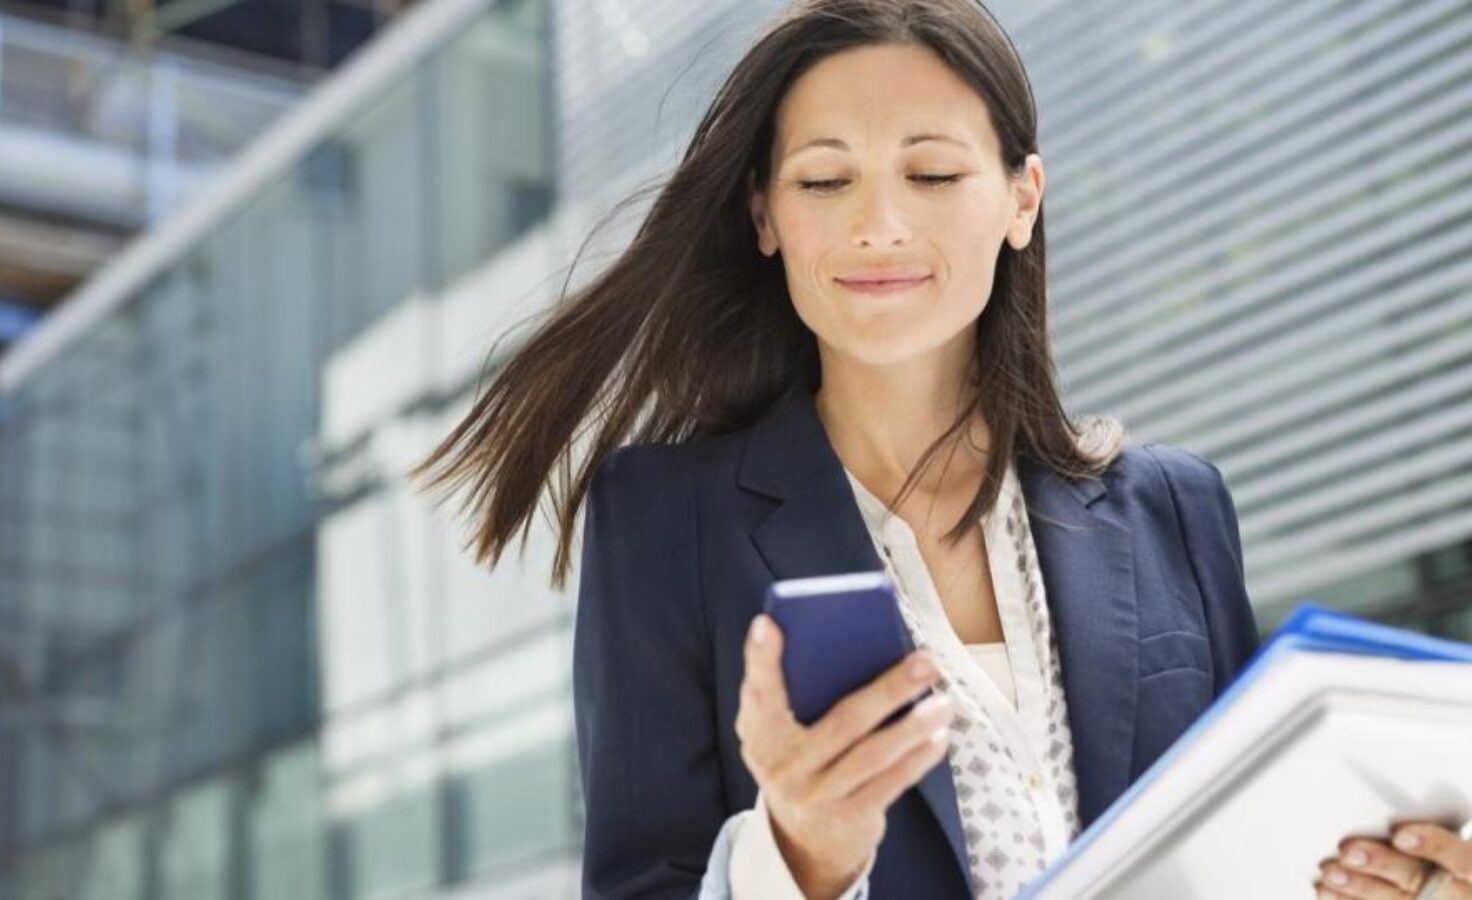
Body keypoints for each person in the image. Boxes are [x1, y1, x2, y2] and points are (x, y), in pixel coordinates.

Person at [408, 1, 1472, 897]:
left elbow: (1253, 856)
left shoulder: (1172, 508)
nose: (878, 225)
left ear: (1021, 198)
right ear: (766, 216)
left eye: (931, 174)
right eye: (824, 182)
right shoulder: (666, 519)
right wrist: (799, 856)